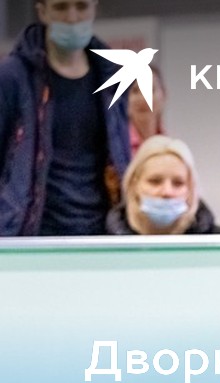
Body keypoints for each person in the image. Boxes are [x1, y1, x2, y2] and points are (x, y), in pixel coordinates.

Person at [0, 0, 131, 236]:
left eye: (81, 6)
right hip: (31, 232)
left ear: (94, 8)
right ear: (43, 12)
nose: (72, 17)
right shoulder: (13, 78)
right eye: (61, 7)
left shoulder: (113, 77)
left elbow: (120, 156)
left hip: (102, 230)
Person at [105, 135, 220, 235]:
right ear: (134, 184)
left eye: (178, 183)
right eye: (155, 181)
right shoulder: (102, 243)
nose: (167, 192)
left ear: (190, 189)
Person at [129, 64, 165, 154]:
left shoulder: (171, 147)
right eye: (135, 91)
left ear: (164, 95)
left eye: (150, 90)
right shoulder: (115, 149)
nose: (143, 98)